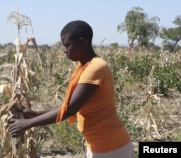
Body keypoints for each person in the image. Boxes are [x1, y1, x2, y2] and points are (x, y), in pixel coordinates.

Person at [7, 20, 134, 158]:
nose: (64, 50)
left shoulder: (95, 68)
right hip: (98, 145)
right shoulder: (84, 67)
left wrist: (28, 123)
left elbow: (70, 109)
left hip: (111, 148)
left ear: (81, 42)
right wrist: (35, 113)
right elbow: (68, 105)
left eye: (68, 45)